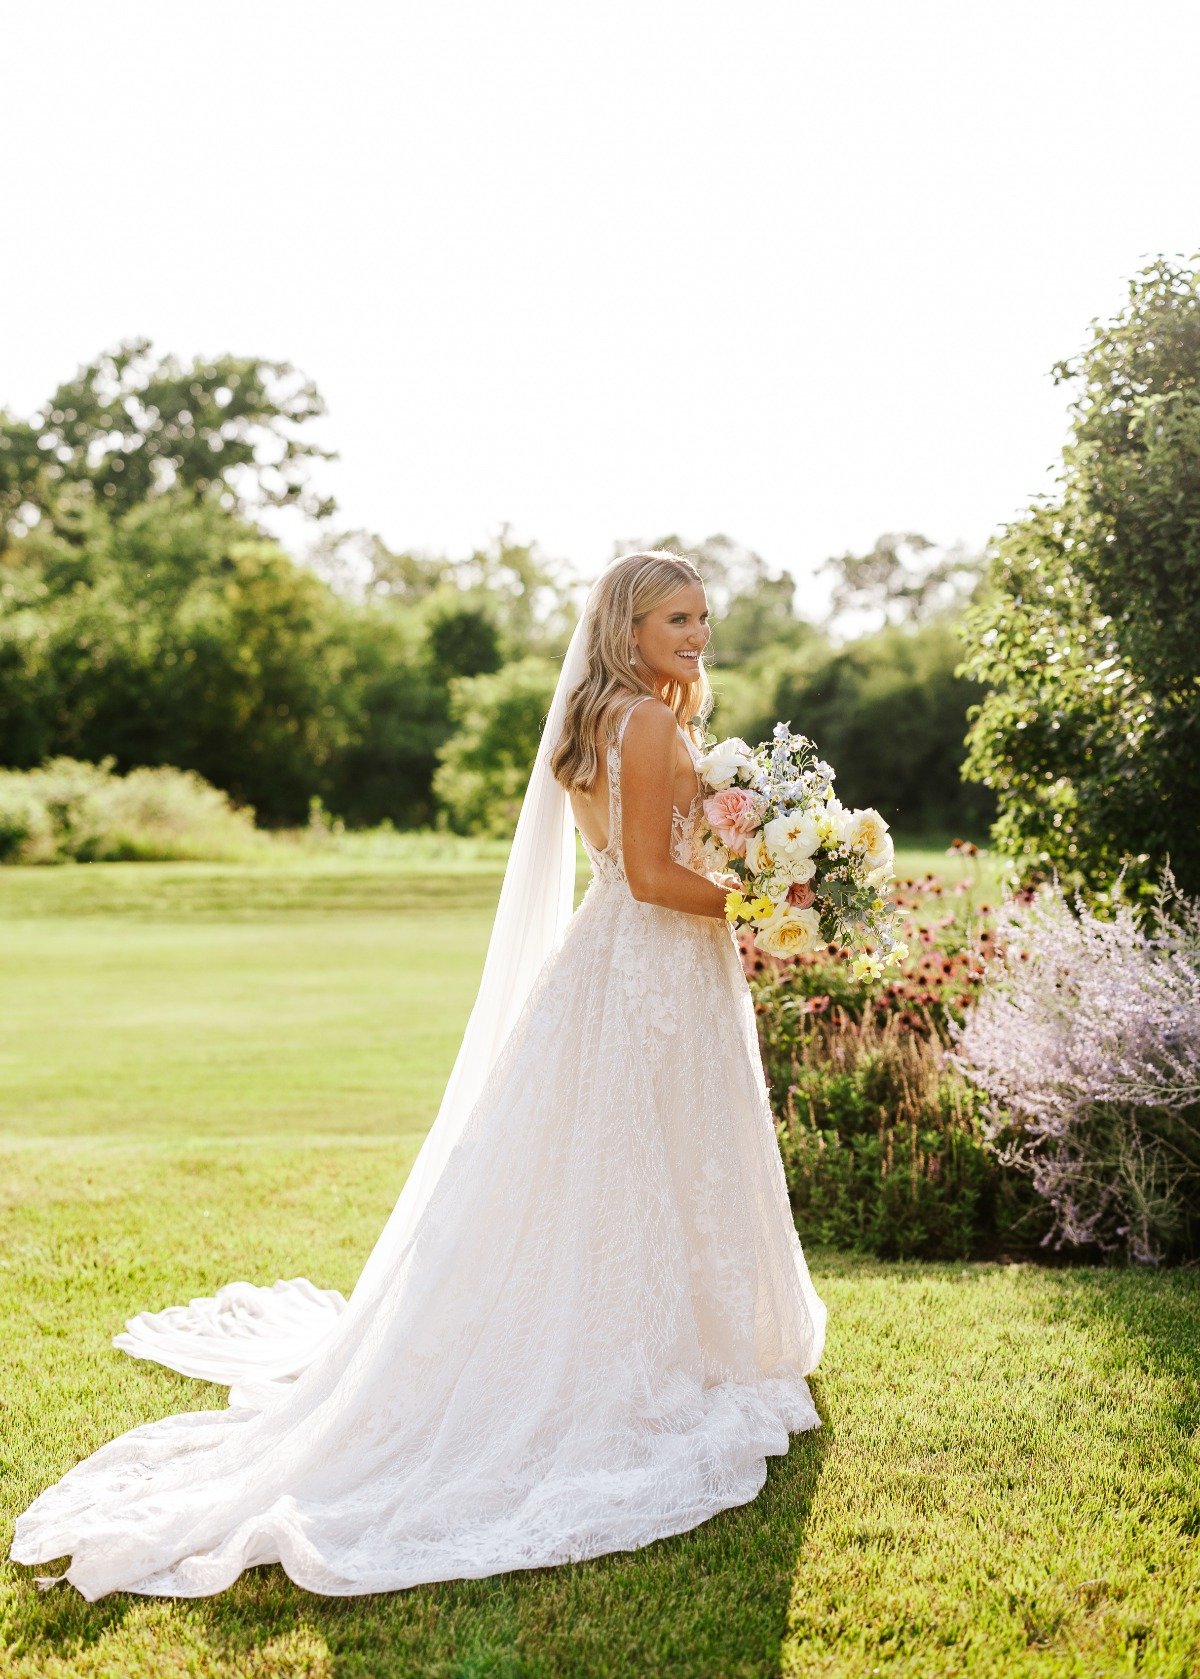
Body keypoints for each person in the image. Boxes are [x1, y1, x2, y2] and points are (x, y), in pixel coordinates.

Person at [10, 549, 827, 1601]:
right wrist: (764, 902)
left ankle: (641, 1324)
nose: (697, 635)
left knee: (606, 1156)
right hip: (655, 957)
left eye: (703, 618)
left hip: (607, 956)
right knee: (659, 1146)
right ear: (627, 624)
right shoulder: (654, 722)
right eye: (677, 617)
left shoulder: (594, 717)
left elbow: (626, 863)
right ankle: (677, 1345)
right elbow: (664, 874)